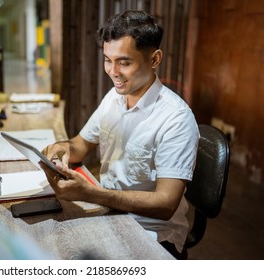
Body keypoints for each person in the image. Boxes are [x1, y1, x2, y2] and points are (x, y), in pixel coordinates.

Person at [39, 10, 199, 259]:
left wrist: (92, 193)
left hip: (152, 235)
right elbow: (81, 144)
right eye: (107, 60)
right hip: (108, 213)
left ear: (155, 59)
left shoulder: (176, 118)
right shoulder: (114, 97)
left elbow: (166, 204)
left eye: (124, 62)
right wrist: (62, 148)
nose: (113, 72)